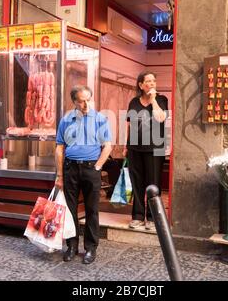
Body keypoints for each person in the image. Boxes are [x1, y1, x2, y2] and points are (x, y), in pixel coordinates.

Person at [55, 85, 112, 264]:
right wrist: (59, 175)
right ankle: (72, 246)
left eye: (88, 99)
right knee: (70, 211)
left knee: (91, 210)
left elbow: (108, 146)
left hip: (90, 169)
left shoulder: (100, 119)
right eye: (81, 100)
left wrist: (98, 166)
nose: (86, 103)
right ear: (74, 102)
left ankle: (90, 248)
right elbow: (59, 148)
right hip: (70, 168)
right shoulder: (66, 119)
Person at [123, 71, 168, 231]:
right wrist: (126, 146)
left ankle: (152, 217)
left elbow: (161, 118)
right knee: (137, 183)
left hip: (154, 149)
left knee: (153, 183)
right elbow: (130, 125)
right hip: (135, 148)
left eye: (153, 81)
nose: (151, 84)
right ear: (140, 85)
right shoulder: (134, 102)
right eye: (148, 81)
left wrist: (153, 99)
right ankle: (137, 216)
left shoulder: (162, 100)